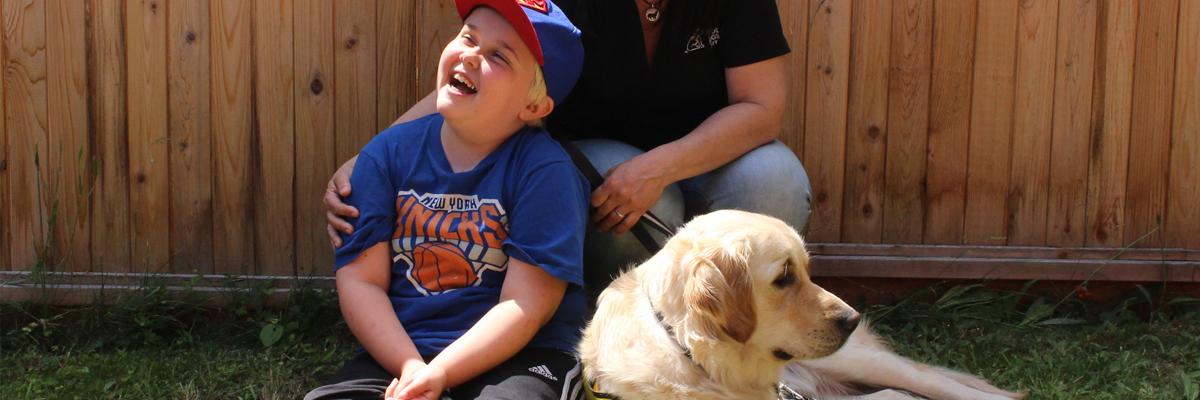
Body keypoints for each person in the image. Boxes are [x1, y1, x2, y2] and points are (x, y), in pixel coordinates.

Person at [325, 0, 810, 307]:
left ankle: (744, 324)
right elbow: (481, 69)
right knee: (627, 196)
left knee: (776, 180)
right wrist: (370, 160)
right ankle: (619, 324)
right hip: (596, 163)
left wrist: (660, 166)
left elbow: (762, 108)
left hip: (706, 158)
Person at [304, 1, 588, 399]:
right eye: (468, 37)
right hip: (405, 348)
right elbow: (361, 281)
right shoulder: (386, 155)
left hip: (520, 354)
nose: (471, 55)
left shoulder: (545, 173)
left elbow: (525, 305)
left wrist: (442, 373)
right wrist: (412, 368)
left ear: (533, 105)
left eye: (498, 56)